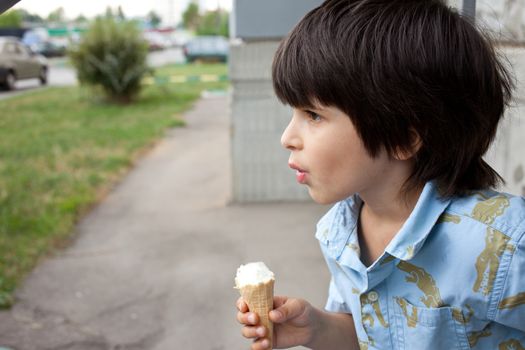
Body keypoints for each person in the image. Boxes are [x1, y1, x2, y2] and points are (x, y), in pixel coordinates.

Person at [236, 0, 525, 349]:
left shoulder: (503, 245)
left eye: (313, 114)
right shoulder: (340, 234)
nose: (287, 138)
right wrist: (316, 329)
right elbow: (368, 333)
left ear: (404, 137)